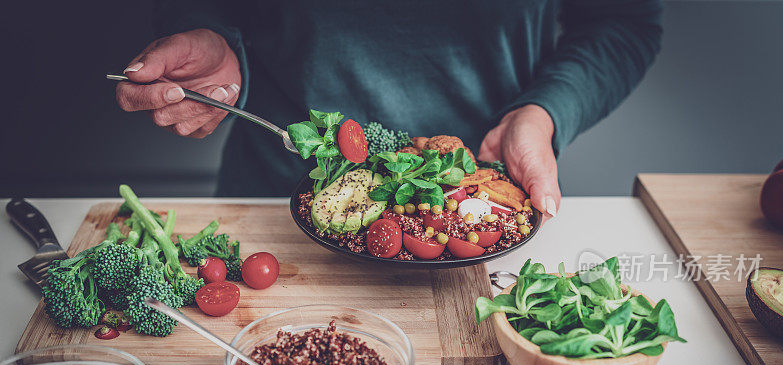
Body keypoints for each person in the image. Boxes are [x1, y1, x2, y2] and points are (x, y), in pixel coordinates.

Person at [116, 1, 662, 219]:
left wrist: (543, 113)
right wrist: (212, 35)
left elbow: (622, 19)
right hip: (275, 194)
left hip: (481, 198)